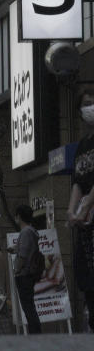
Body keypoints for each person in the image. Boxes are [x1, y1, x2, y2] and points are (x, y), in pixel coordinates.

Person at [67, 87, 94, 331]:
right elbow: (78, 180)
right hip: (86, 223)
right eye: (86, 104)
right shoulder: (83, 145)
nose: (90, 108)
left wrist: (87, 202)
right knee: (86, 275)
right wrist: (72, 209)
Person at [9, 204, 42, 334]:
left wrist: (16, 269)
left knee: (28, 307)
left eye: (16, 215)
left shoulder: (26, 231)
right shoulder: (31, 231)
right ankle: (35, 332)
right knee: (29, 306)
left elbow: (23, 255)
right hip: (30, 273)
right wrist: (14, 249)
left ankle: (35, 333)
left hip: (24, 274)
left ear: (19, 217)